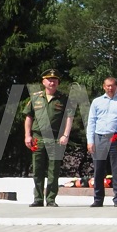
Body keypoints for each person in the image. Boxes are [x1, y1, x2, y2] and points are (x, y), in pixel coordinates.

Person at [24, 69, 71, 207]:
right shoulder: (35, 97)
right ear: (43, 82)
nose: (52, 82)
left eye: (55, 80)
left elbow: (69, 118)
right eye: (49, 80)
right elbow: (28, 117)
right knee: (37, 169)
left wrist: (65, 135)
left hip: (56, 138)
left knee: (53, 170)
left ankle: (51, 199)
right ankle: (38, 199)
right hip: (38, 137)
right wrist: (27, 135)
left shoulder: (64, 98)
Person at [86, 77, 117, 207]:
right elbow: (91, 122)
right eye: (107, 86)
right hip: (99, 137)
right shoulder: (97, 102)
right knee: (99, 169)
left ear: (116, 86)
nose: (110, 88)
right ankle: (98, 199)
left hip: (116, 138)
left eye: (112, 85)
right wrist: (90, 141)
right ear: (103, 86)